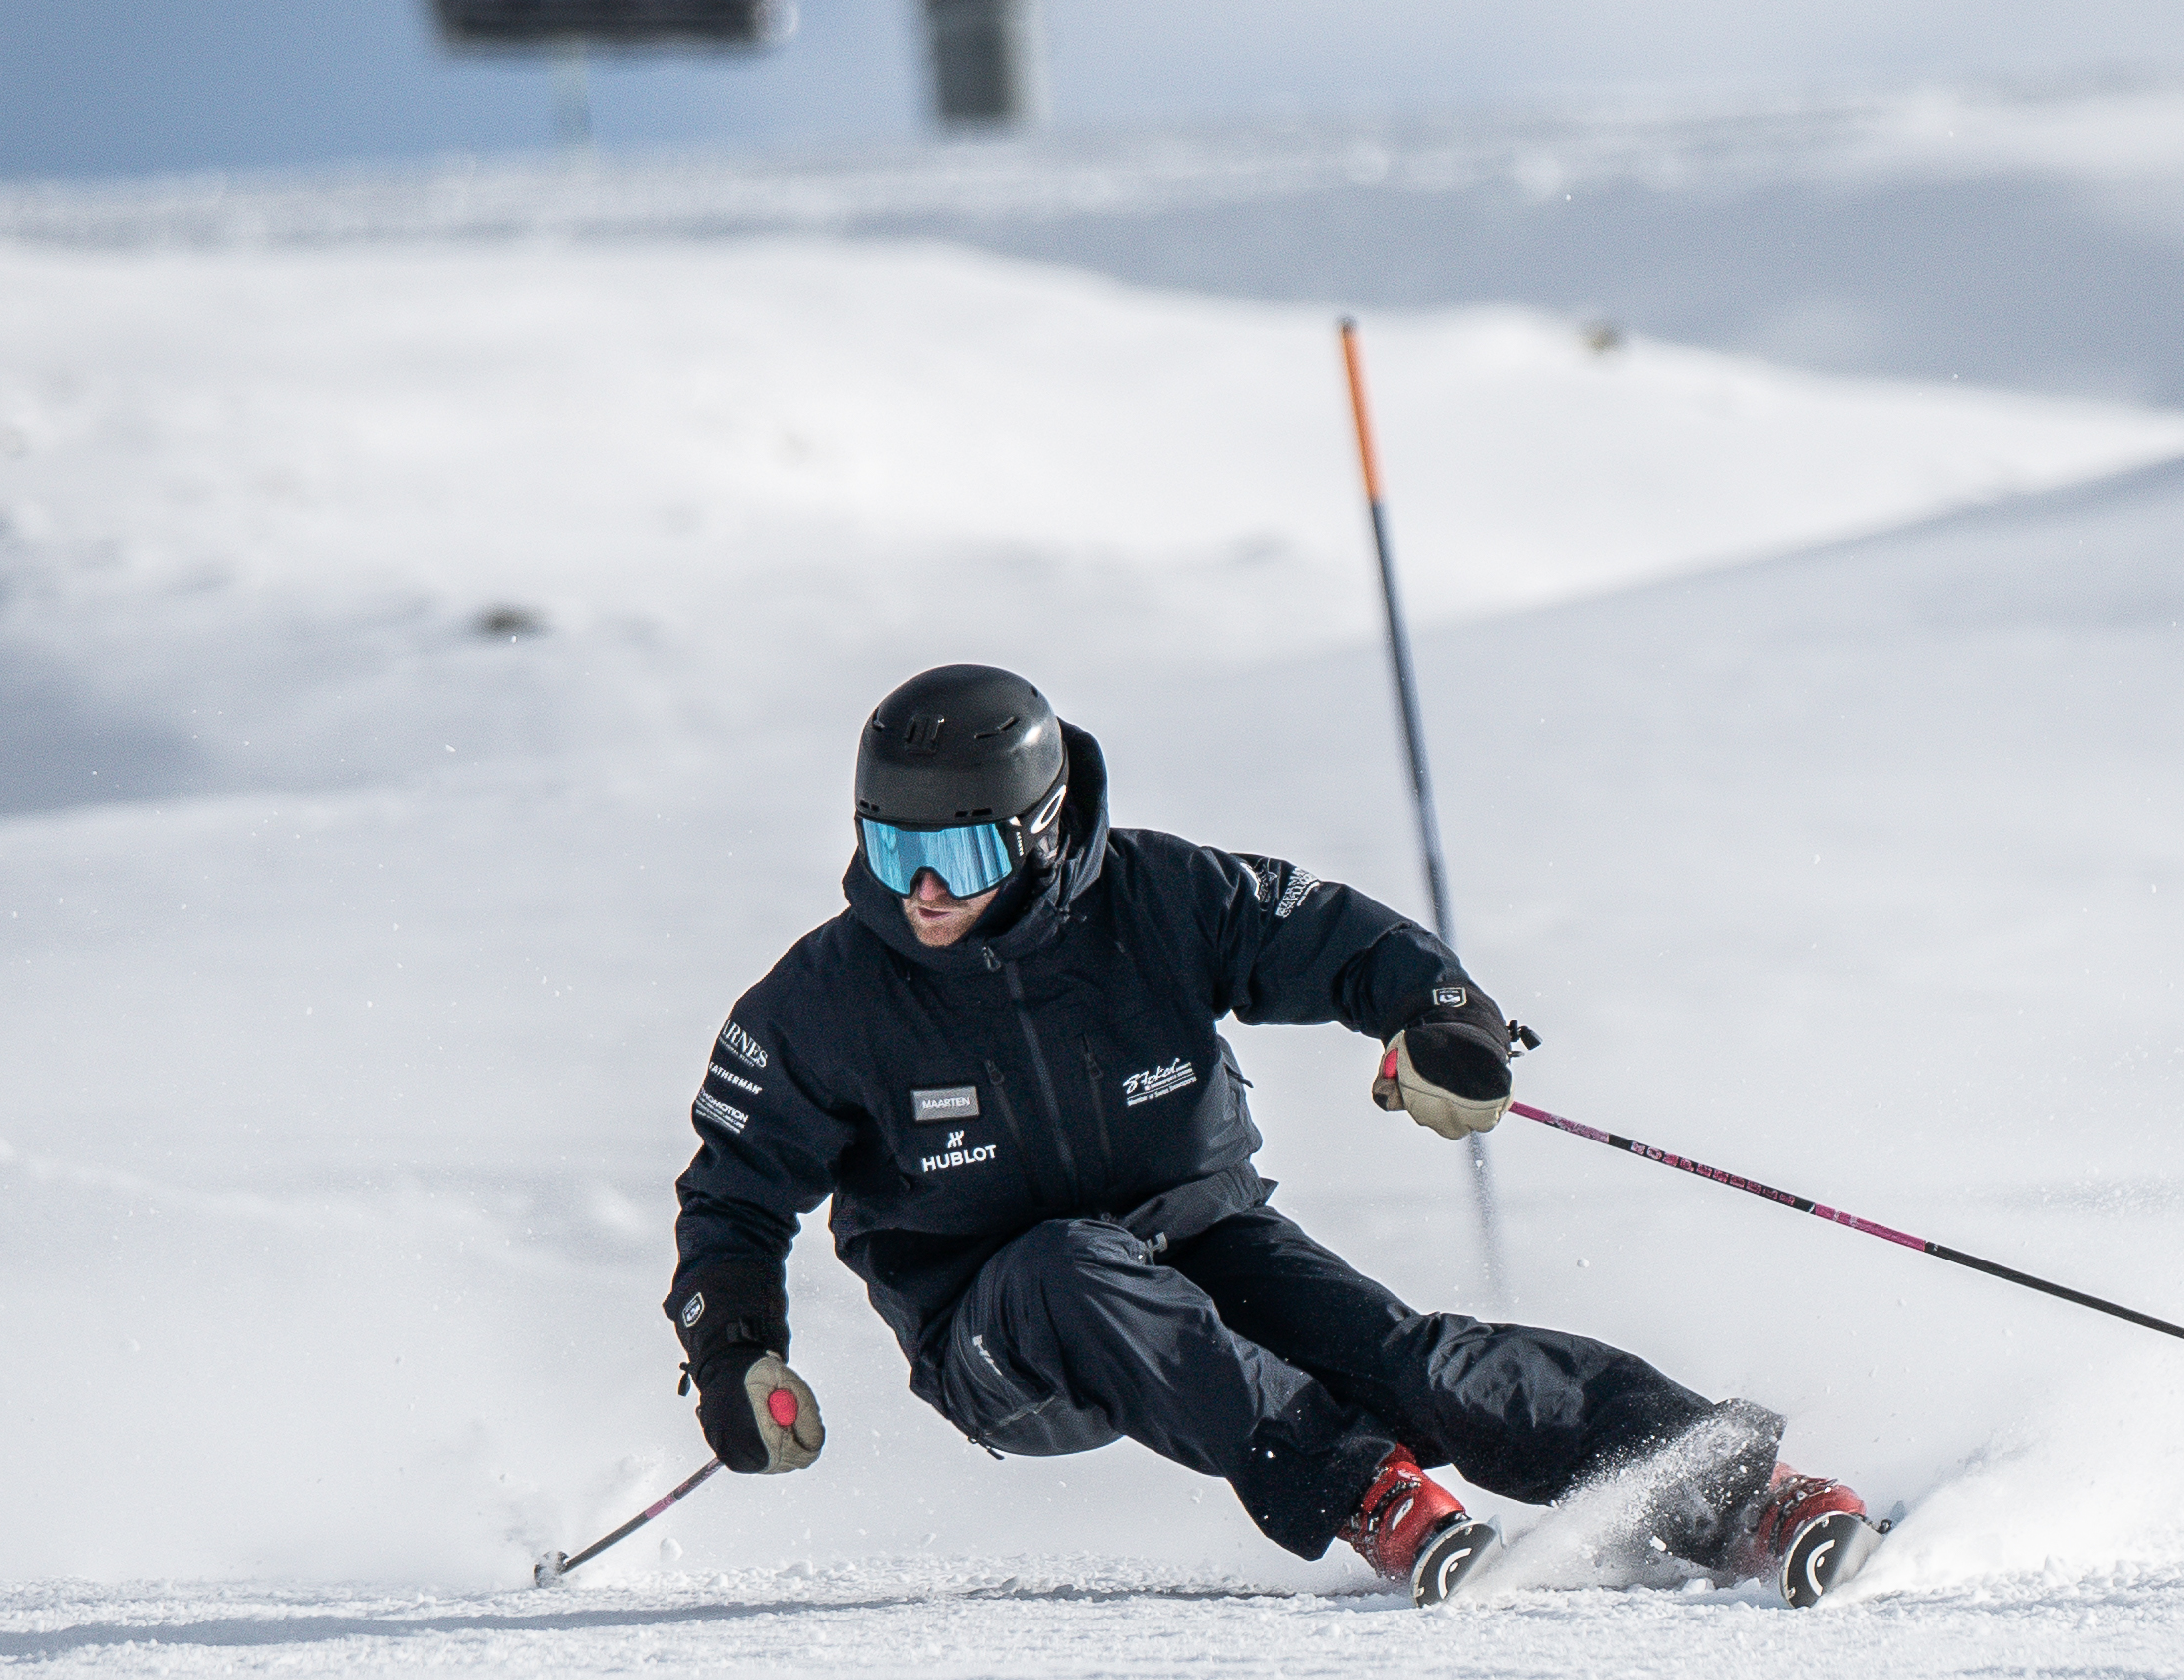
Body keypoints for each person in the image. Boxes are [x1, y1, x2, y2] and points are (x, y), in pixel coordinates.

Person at [666, 665, 1869, 1606]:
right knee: (1069, 1266)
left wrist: (1440, 1015)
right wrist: (733, 1353)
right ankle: (1364, 1493)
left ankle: (1732, 1494)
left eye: (957, 854)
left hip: (1203, 1235)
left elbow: (1324, 935)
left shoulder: (1152, 898)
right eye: (892, 849)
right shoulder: (824, 1000)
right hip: (1001, 1327)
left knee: (1411, 1360)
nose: (920, 892)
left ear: (1035, 830)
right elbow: (732, 1197)